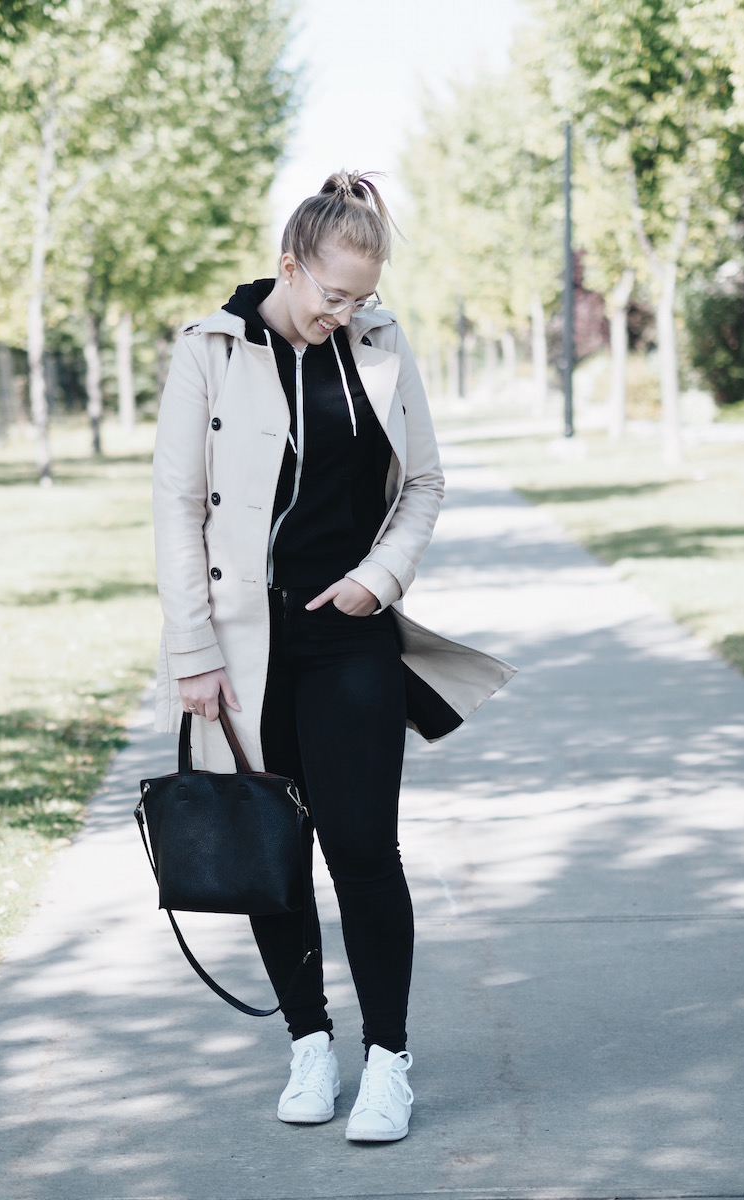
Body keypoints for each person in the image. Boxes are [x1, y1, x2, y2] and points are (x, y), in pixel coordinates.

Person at [152, 170, 513, 1143]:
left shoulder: (382, 347)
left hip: (348, 637)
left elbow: (424, 484)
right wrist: (192, 651)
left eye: (362, 298)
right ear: (290, 266)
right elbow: (178, 509)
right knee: (275, 851)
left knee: (362, 847)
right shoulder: (210, 351)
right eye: (332, 296)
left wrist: (379, 578)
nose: (345, 314)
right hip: (244, 648)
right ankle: (311, 1043)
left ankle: (388, 1060)